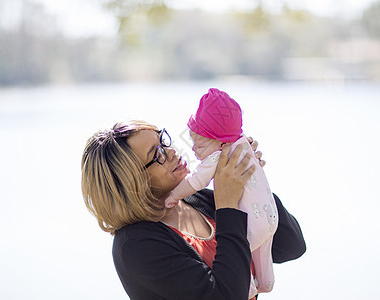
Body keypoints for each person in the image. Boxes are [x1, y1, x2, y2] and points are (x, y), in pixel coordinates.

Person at [81, 120, 306, 300]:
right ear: (132, 181)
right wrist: (228, 204)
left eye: (164, 141)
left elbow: (291, 245)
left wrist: (252, 185)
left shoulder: (199, 200)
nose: (170, 152)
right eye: (157, 154)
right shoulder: (136, 245)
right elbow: (225, 295)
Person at [163, 88, 278, 298]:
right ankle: (266, 282)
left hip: (253, 222)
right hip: (270, 215)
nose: (194, 150)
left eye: (200, 144)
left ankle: (250, 288)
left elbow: (196, 181)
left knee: (237, 257)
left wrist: (174, 196)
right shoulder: (243, 143)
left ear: (221, 140)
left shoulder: (219, 156)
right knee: (263, 256)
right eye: (194, 143)